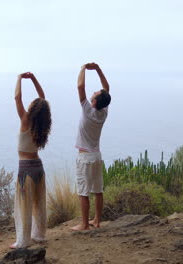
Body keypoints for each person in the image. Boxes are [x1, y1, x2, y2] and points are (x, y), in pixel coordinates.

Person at [11, 72, 52, 248]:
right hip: (38, 167)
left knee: (24, 206)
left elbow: (17, 98)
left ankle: (23, 241)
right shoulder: (41, 122)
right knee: (38, 203)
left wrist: (19, 78)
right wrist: (34, 79)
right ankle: (39, 235)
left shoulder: (26, 120)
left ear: (33, 108)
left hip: (26, 168)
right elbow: (43, 99)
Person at [71, 62, 111, 231]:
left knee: (83, 191)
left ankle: (84, 224)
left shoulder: (88, 110)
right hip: (96, 156)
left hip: (85, 157)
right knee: (98, 190)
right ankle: (97, 220)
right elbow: (106, 89)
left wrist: (83, 68)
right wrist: (98, 70)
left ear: (93, 102)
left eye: (94, 94)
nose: (93, 92)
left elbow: (80, 86)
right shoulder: (104, 112)